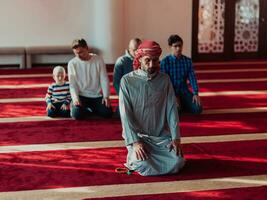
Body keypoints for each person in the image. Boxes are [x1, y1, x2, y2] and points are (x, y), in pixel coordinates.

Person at [119, 40, 185, 176]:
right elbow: (125, 114)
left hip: (161, 138)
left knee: (178, 161)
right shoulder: (127, 81)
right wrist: (135, 142)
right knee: (142, 165)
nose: (151, 65)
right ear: (139, 59)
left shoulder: (164, 79)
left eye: (155, 61)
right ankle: (133, 155)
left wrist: (175, 138)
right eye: (147, 60)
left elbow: (172, 110)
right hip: (139, 138)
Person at [68, 38, 113, 119]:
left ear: (87, 48)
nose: (78, 56)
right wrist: (75, 99)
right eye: (76, 53)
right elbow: (72, 84)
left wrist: (106, 96)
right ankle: (86, 109)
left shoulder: (98, 59)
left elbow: (104, 79)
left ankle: (89, 110)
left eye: (81, 52)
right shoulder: (72, 63)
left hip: (96, 95)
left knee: (107, 112)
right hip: (81, 95)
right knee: (76, 115)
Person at [160, 34, 202, 114]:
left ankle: (183, 104)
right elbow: (164, 82)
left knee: (198, 109)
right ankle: (179, 105)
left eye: (180, 46)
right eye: (175, 46)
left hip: (183, 91)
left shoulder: (187, 61)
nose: (178, 48)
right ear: (170, 47)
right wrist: (173, 96)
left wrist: (195, 93)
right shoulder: (165, 62)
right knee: (175, 111)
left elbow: (192, 78)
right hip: (171, 92)